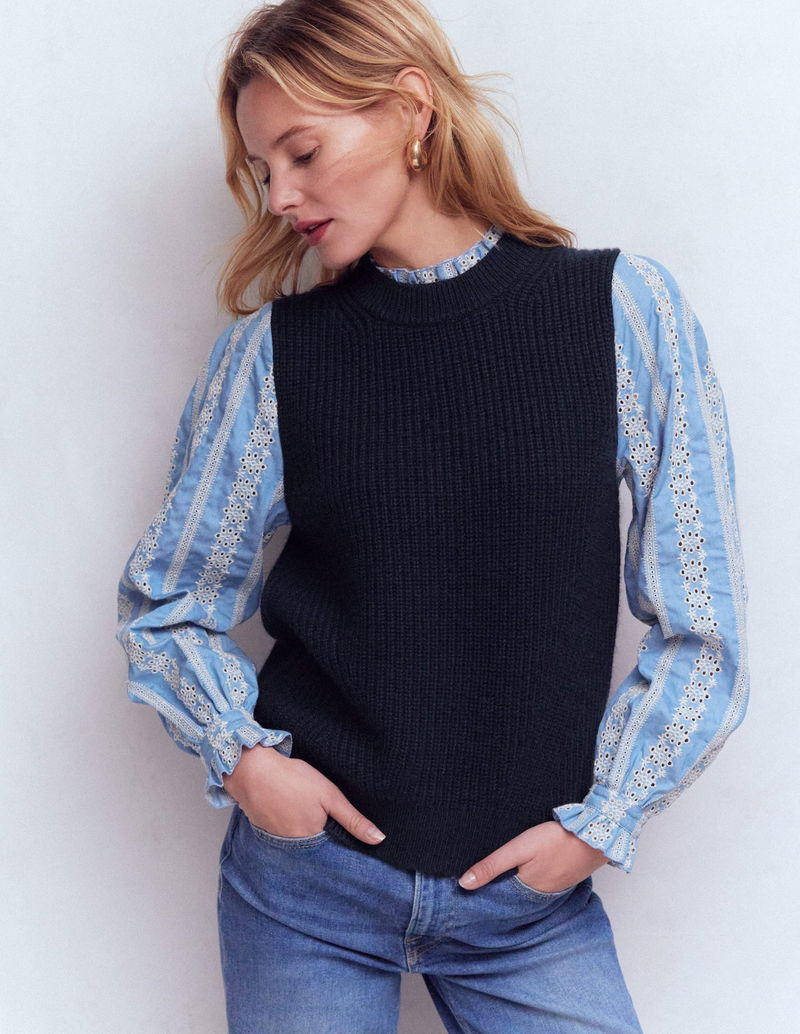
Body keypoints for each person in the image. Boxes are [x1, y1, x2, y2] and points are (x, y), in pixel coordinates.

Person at [115, 1, 750, 1031]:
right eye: (263, 170)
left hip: (528, 911)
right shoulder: (273, 356)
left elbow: (703, 622)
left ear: (411, 108)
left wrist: (603, 822)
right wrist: (246, 759)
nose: (280, 197)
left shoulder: (620, 312)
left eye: (302, 153)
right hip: (306, 893)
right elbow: (168, 601)